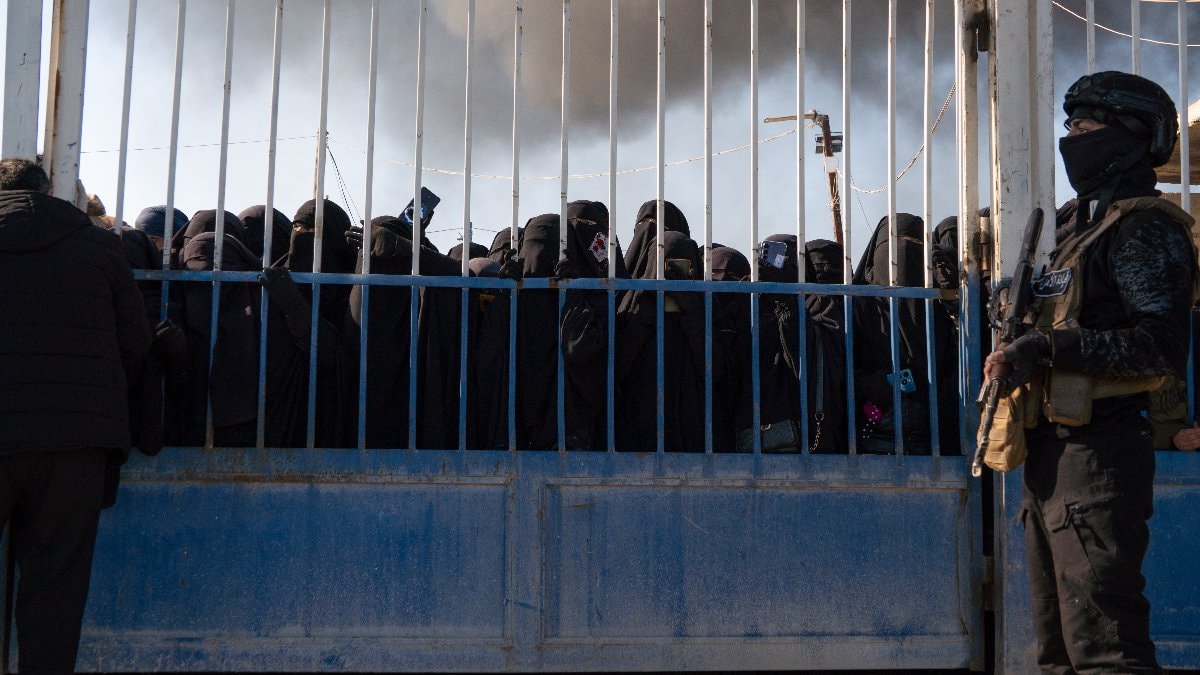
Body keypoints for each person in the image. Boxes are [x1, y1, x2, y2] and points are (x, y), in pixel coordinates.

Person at [984, 71, 1197, 672]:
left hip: (1099, 454)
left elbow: (1157, 348)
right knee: (1057, 651)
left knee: (1106, 651)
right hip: (1050, 452)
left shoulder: (1144, 227)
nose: (1071, 138)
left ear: (1130, 137)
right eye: (1069, 125)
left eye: (1086, 126)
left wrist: (1049, 349)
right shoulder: (1078, 228)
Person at [0, 158, 151, 672]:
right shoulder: (99, 247)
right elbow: (135, 345)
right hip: (75, 444)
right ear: (51, 190)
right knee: (55, 594)